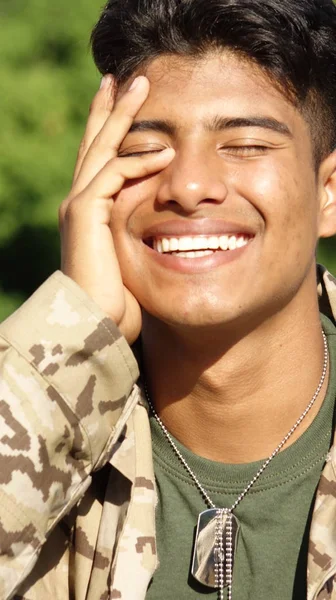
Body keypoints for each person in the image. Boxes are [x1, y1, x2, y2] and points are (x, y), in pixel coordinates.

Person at [1, 0, 336, 598]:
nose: (186, 186)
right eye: (143, 150)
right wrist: (73, 340)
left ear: (329, 192)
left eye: (246, 144)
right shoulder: (42, 408)